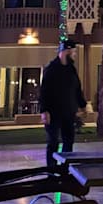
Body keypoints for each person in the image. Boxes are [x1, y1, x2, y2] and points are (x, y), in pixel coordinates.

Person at [39, 39, 86, 168]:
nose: (75, 55)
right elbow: (44, 91)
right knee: (53, 141)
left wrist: (82, 105)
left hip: (68, 112)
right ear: (66, 51)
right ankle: (51, 169)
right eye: (73, 52)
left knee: (68, 140)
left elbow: (77, 89)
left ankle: (65, 169)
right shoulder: (51, 69)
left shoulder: (71, 69)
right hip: (53, 113)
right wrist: (44, 111)